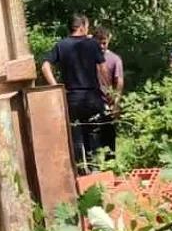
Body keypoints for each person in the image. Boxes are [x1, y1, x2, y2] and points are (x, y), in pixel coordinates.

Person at [41, 14, 109, 171]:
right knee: (93, 133)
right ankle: (96, 171)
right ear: (82, 27)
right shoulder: (92, 44)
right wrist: (108, 91)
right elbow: (103, 69)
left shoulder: (61, 45)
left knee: (76, 136)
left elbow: (45, 66)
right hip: (92, 96)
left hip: (72, 98)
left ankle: (80, 172)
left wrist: (56, 87)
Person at [93, 26, 124, 157]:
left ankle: (111, 167)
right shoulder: (88, 58)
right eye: (98, 42)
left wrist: (116, 103)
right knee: (93, 141)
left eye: (104, 42)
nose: (101, 46)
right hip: (91, 104)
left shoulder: (114, 59)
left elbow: (119, 81)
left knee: (109, 141)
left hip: (108, 104)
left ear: (108, 41)